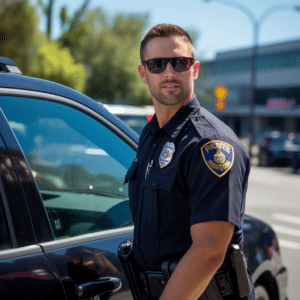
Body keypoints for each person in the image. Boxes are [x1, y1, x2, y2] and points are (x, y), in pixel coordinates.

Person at [125, 23, 255, 300]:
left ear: (194, 70)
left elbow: (208, 252)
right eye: (157, 64)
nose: (169, 72)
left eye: (179, 63)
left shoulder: (210, 144)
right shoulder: (150, 136)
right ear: (143, 74)